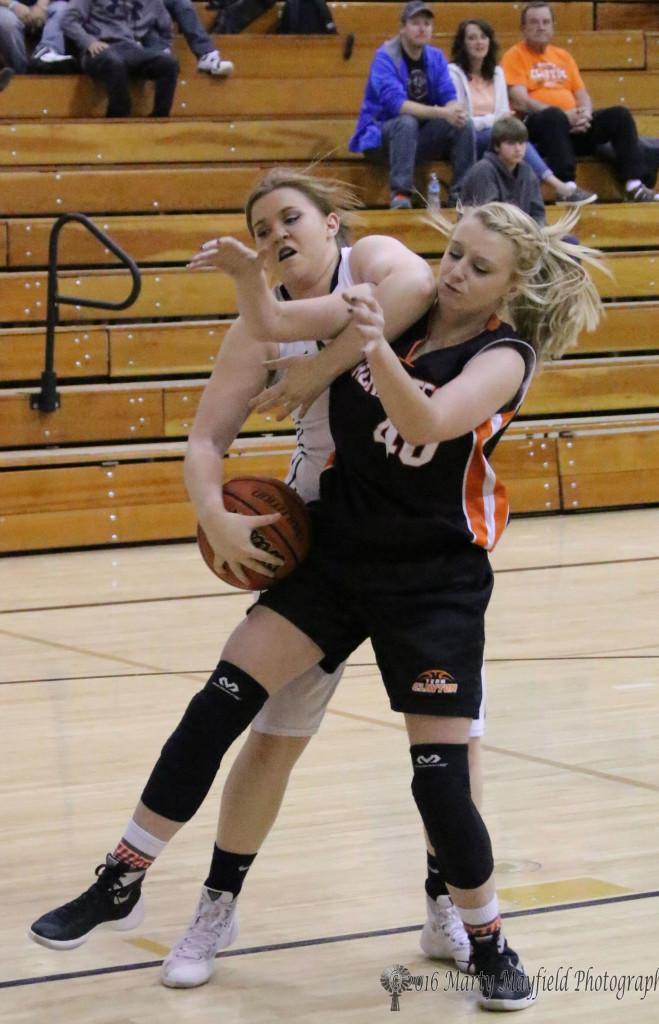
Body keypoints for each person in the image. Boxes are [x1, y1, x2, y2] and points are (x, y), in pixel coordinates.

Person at [29, 189, 604, 1010]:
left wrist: (367, 351)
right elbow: (285, 323)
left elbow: (431, 418)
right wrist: (251, 283)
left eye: (477, 267)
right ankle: (124, 876)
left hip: (433, 579)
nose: (451, 273)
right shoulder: (400, 306)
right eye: (450, 254)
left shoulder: (501, 353)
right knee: (219, 706)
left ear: (509, 286)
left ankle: (483, 936)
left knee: (440, 777)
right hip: (336, 552)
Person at [501, 1, 659, 202]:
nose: (541, 26)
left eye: (546, 22)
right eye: (534, 22)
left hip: (573, 128)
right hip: (539, 129)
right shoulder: (515, 55)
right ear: (523, 28)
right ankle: (566, 188)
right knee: (553, 116)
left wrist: (585, 114)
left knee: (619, 115)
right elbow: (521, 101)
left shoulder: (563, 56)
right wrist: (564, 116)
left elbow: (582, 96)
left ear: (553, 26)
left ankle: (634, 185)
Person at [448, 17, 595, 205]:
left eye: (483, 37)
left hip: (495, 135)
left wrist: (492, 122)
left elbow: (503, 115)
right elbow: (463, 119)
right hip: (467, 138)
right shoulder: (453, 73)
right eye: (472, 38)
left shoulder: (497, 73)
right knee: (509, 137)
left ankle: (547, 192)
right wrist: (491, 122)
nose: (479, 42)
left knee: (514, 138)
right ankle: (559, 186)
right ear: (463, 44)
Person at [349, 0, 475, 209]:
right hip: (380, 138)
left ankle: (462, 197)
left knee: (465, 124)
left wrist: (455, 111)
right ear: (402, 28)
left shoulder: (435, 57)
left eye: (427, 23)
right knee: (406, 122)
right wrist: (443, 113)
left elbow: (448, 94)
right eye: (415, 22)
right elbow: (397, 105)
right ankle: (401, 195)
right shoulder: (385, 57)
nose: (422, 28)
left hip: (417, 138)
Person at [62, 0, 179, 118]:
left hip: (130, 47)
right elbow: (68, 20)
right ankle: (118, 118)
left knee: (170, 63)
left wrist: (161, 47)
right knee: (115, 61)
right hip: (100, 48)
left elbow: (166, 28)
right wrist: (88, 42)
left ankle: (159, 119)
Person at [460, 115, 546, 224]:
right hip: (485, 236)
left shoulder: (527, 171)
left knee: (568, 240)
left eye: (521, 143)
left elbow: (538, 212)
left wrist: (539, 233)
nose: (518, 149)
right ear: (496, 146)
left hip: (521, 235)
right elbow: (488, 218)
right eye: (511, 143)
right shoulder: (483, 170)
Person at [0, 0, 74, 71]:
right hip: (6, 6)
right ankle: (19, 70)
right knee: (7, 22)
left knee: (62, 8)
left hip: (44, 6)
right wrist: (13, 5)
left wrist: (41, 6)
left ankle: (46, 55)